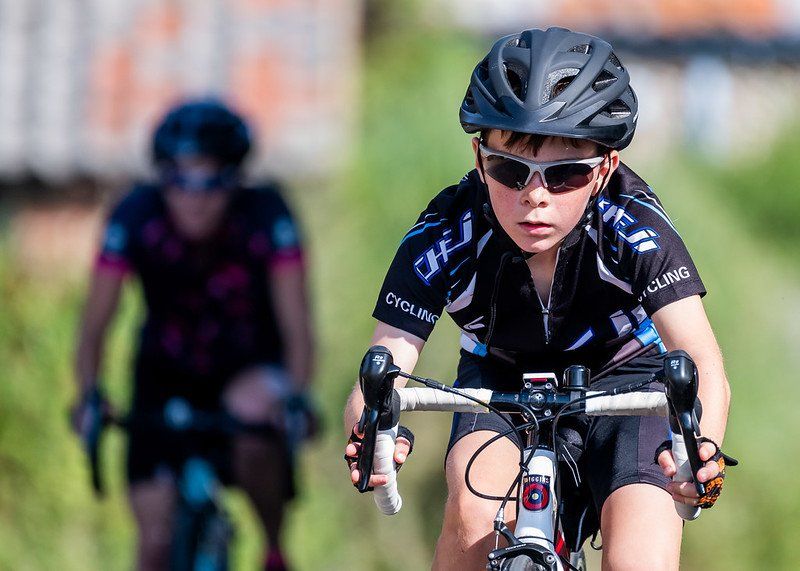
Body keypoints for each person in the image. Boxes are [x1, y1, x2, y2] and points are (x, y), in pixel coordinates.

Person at [344, 27, 734, 569]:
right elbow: (381, 367)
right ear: (480, 160)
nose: (535, 197)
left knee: (639, 556)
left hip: (627, 380)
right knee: (470, 522)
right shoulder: (447, 230)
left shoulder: (633, 227)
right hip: (501, 379)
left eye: (566, 175)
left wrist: (701, 455)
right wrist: (372, 435)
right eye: (511, 170)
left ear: (604, 169)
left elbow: (701, 360)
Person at [72, 99, 314, 571]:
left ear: (235, 181)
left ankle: (273, 548)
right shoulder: (133, 214)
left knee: (252, 409)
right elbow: (94, 326)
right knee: (155, 541)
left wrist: (295, 396)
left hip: (247, 367)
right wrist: (89, 395)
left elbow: (298, 328)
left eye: (212, 182)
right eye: (179, 181)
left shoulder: (266, 215)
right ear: (161, 178)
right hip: (163, 373)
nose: (194, 197)